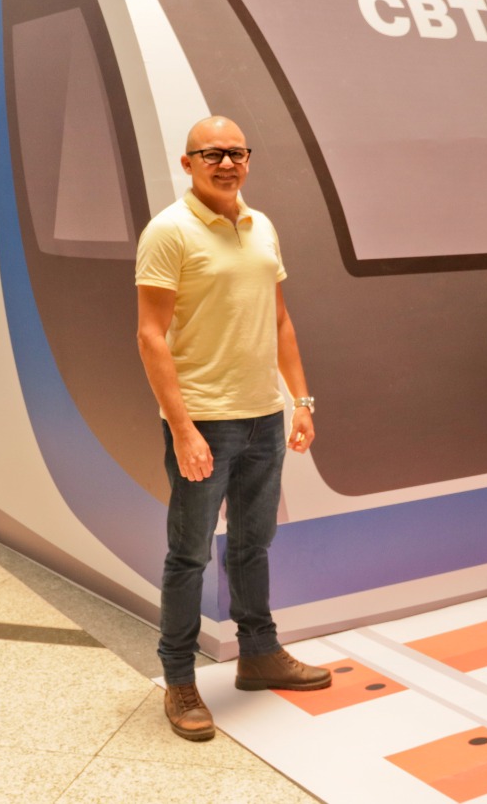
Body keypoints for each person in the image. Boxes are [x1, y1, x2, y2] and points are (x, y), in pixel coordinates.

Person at [134, 116, 330, 742]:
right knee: (189, 553)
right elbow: (150, 335)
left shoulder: (261, 225)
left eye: (237, 152)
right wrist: (182, 427)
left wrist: (299, 400)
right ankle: (179, 679)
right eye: (212, 153)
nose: (226, 162)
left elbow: (280, 322)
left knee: (252, 543)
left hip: (262, 419)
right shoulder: (168, 232)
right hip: (205, 424)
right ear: (187, 163)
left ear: (248, 160)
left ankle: (259, 654)